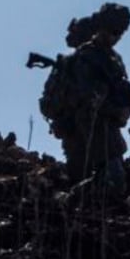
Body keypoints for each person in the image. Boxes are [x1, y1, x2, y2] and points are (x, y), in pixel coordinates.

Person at [71, 3, 130, 196]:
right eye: (112, 31)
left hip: (110, 125)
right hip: (93, 124)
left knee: (109, 175)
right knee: (113, 176)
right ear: (100, 27)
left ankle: (79, 203)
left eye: (120, 33)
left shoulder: (114, 58)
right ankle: (72, 201)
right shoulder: (86, 56)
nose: (115, 37)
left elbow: (122, 91)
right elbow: (87, 96)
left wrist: (126, 110)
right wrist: (116, 110)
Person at [35, 16, 96, 183]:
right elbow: (49, 100)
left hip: (96, 128)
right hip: (75, 129)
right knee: (80, 174)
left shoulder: (96, 63)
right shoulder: (68, 64)